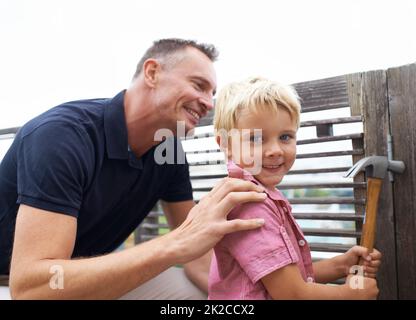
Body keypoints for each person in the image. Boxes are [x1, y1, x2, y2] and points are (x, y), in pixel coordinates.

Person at [0, 39, 268, 299]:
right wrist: (175, 243)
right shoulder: (62, 135)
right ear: (152, 73)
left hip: (82, 280)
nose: (209, 103)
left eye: (212, 94)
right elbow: (32, 290)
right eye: (199, 85)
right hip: (16, 283)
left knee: (196, 292)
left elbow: (198, 259)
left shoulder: (169, 151)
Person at [208, 77, 382, 299]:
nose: (275, 150)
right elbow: (291, 294)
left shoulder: (262, 195)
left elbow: (287, 277)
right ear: (225, 145)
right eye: (256, 139)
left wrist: (340, 265)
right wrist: (349, 295)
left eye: (285, 137)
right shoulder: (249, 205)